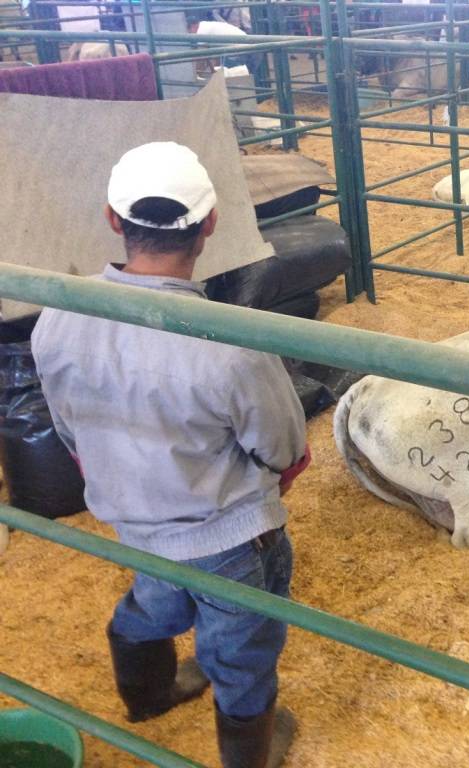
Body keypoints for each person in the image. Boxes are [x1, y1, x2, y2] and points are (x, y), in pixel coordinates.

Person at [31, 142, 309, 768]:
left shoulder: (57, 318)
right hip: (227, 536)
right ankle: (247, 756)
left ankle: (148, 695)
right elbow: (285, 450)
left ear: (111, 218)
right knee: (241, 644)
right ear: (210, 224)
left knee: (153, 601)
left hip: (131, 522)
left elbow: (69, 431)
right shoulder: (232, 341)